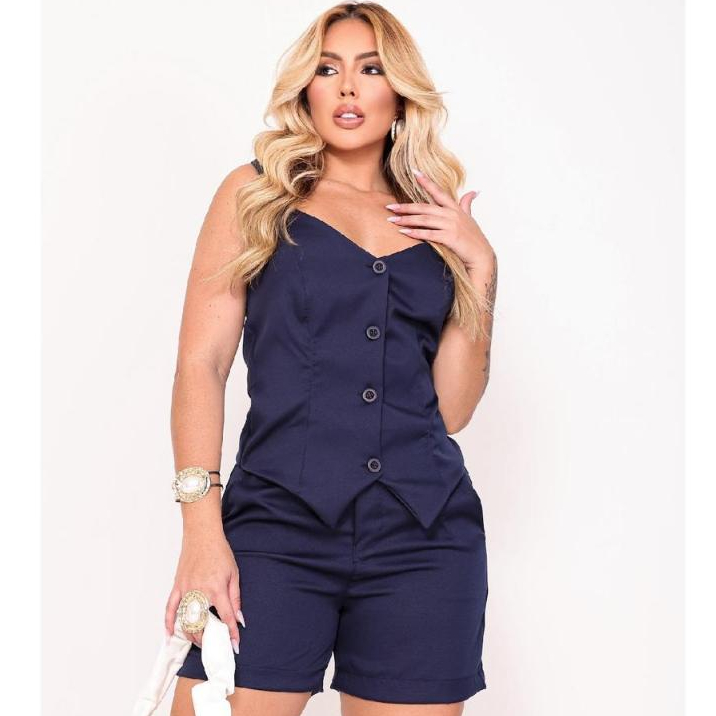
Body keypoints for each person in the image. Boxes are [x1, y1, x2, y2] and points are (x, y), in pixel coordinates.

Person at [166, 3, 497, 715]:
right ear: (305, 89)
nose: (348, 87)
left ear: (400, 93)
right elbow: (202, 364)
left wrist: (480, 268)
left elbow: (451, 411)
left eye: (371, 69)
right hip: (276, 528)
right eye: (327, 69)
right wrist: (201, 531)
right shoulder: (254, 194)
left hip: (424, 538)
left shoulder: (435, 218)